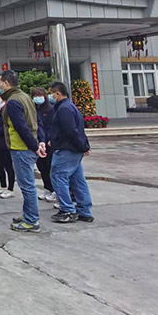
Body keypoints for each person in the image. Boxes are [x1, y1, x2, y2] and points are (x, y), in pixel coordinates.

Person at [0, 70, 46, 233]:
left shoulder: (13, 101)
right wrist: (39, 142)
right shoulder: (25, 97)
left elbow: (21, 127)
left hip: (21, 148)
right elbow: (37, 121)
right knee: (27, 184)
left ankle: (31, 220)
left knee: (27, 186)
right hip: (28, 146)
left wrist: (35, 146)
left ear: (6, 83)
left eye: (0, 82)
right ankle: (28, 214)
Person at [47, 82, 94, 223]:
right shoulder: (70, 106)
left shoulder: (64, 109)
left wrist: (83, 146)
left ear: (57, 94)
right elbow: (79, 129)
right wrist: (84, 146)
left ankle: (67, 210)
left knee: (58, 177)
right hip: (74, 150)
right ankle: (84, 210)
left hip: (67, 150)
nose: (50, 96)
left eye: (51, 93)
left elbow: (71, 131)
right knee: (77, 180)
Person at [32, 87, 57, 203]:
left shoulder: (50, 109)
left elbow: (52, 127)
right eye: (35, 96)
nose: (37, 98)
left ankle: (55, 190)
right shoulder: (33, 109)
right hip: (38, 143)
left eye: (39, 96)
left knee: (50, 167)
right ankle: (47, 188)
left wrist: (48, 140)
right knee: (42, 168)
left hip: (48, 143)